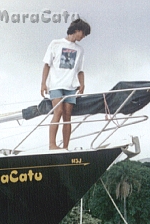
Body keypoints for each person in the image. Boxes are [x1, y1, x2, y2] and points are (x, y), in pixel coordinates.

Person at [40, 18, 91, 150]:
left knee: (67, 116)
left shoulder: (80, 50)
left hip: (70, 86)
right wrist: (43, 84)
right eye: (84, 33)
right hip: (56, 84)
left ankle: (66, 147)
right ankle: (52, 144)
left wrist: (82, 84)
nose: (84, 36)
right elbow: (47, 65)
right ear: (77, 30)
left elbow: (80, 70)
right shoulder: (56, 43)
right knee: (58, 111)